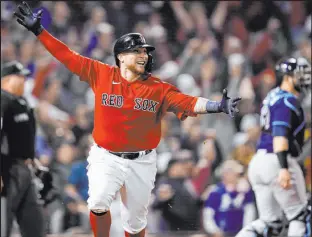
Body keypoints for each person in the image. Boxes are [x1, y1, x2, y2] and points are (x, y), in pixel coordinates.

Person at [14, 2, 241, 237]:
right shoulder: (101, 74)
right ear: (121, 56)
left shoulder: (157, 88)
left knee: (134, 223)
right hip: (106, 155)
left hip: (142, 160)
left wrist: (217, 105)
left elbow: (188, 102)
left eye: (145, 51)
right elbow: (67, 56)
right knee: (99, 201)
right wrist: (40, 32)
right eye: (138, 51)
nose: (144, 55)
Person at [235, 56, 311, 237]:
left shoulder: (271, 96)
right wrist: (284, 168)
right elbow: (279, 134)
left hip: (260, 161)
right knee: (300, 215)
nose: (305, 79)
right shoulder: (287, 101)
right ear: (287, 76)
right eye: (301, 74)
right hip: (277, 160)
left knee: (270, 223)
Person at [0, 60, 51, 237]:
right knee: (2, 224)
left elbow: (25, 137)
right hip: (6, 168)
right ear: (5, 79)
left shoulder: (22, 102)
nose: (23, 80)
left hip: (25, 169)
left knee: (34, 223)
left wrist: (32, 158)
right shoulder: (2, 100)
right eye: (19, 77)